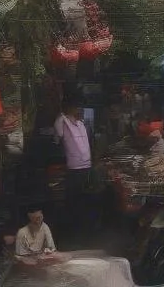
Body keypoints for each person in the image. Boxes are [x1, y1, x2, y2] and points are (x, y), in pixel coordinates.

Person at [54, 97, 93, 231]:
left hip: (86, 165)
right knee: (73, 197)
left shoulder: (81, 123)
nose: (80, 110)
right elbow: (57, 139)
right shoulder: (62, 121)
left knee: (85, 196)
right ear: (69, 108)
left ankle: (84, 223)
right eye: (77, 107)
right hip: (74, 166)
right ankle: (73, 225)